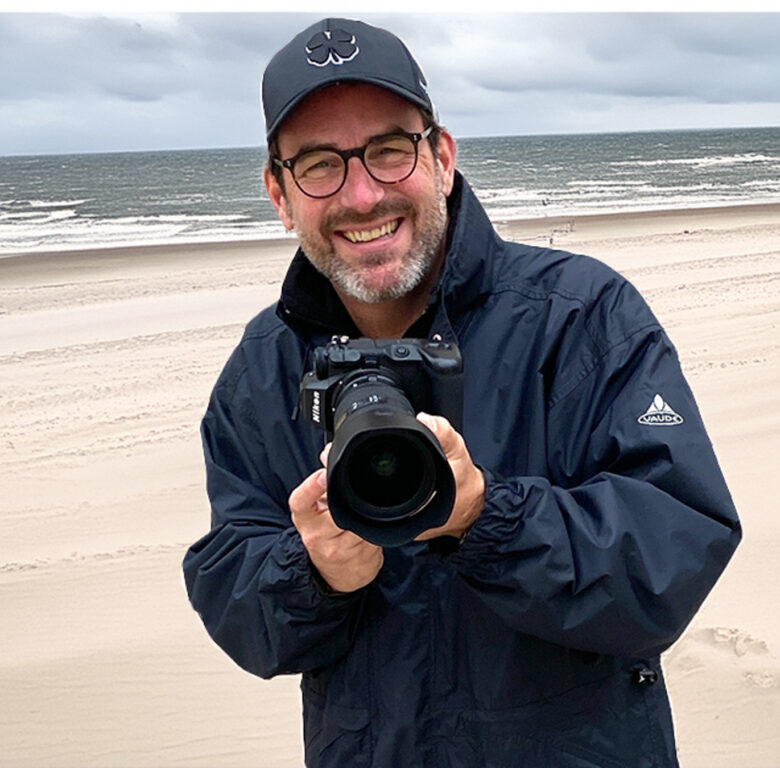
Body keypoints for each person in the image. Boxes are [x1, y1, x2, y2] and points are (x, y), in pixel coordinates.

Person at [183, 17, 741, 768]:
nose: (361, 193)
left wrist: (485, 515)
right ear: (280, 194)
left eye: (388, 150)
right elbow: (235, 599)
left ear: (440, 157)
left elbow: (673, 555)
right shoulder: (263, 369)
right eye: (318, 165)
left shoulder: (580, 317)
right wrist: (311, 573)